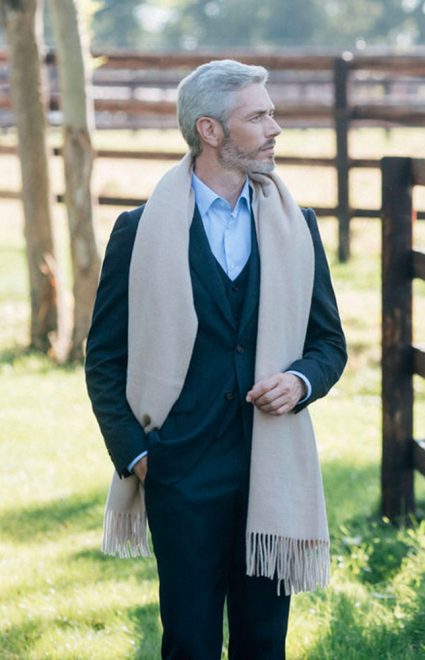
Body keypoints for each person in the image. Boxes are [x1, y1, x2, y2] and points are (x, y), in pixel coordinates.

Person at [85, 59, 347, 660]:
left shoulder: (297, 227)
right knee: (191, 642)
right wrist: (140, 455)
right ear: (210, 131)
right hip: (180, 469)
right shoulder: (139, 230)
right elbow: (104, 358)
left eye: (272, 112)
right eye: (258, 116)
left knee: (263, 643)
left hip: (271, 465)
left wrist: (302, 381)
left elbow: (329, 344)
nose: (275, 127)